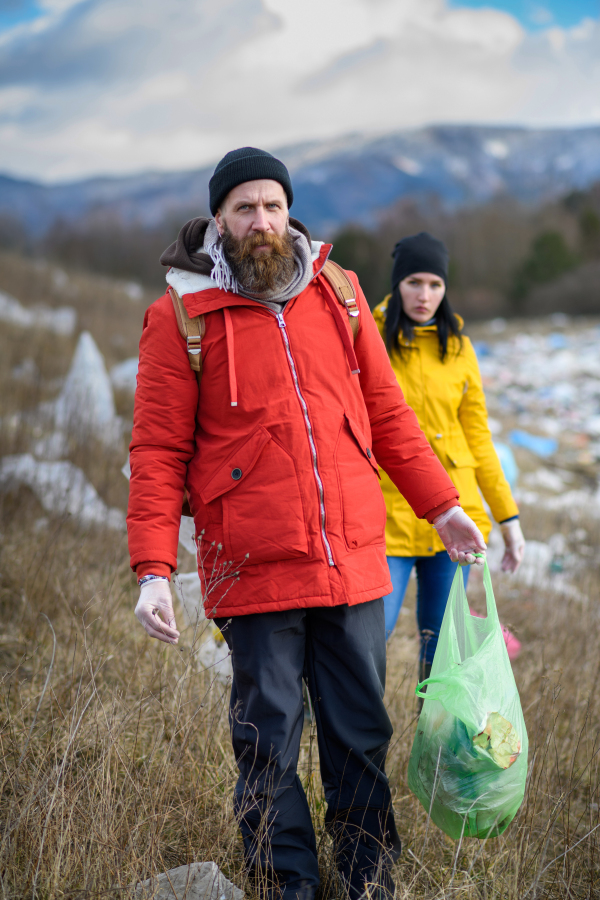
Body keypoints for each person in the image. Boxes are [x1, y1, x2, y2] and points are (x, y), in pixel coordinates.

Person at [127, 149, 487, 900]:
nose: (261, 221)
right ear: (218, 222)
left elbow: (387, 415)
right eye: (244, 209)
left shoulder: (343, 292)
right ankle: (286, 882)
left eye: (272, 205)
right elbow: (158, 451)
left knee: (361, 735)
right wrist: (155, 571)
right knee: (268, 743)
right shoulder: (179, 318)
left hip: (352, 556)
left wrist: (443, 505)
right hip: (251, 564)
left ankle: (366, 879)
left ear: (290, 210)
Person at [372, 232, 525, 684]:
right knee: (366, 641)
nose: (425, 295)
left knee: (442, 651)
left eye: (435, 284)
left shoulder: (458, 346)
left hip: (454, 520)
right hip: (387, 517)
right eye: (414, 282)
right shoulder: (369, 337)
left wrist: (508, 519)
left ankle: (434, 751)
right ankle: (356, 749)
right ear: (397, 284)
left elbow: (479, 438)